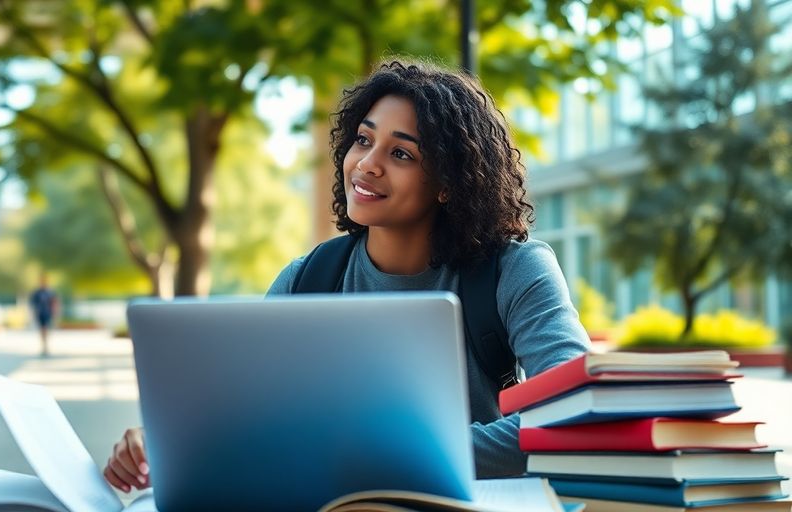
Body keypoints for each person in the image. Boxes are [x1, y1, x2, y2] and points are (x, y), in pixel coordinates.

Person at [103, 59, 590, 492]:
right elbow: (244, 417)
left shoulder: (515, 269)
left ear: (448, 184)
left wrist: (385, 458)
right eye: (363, 139)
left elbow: (573, 411)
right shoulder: (306, 279)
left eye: (401, 154)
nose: (367, 164)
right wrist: (162, 443)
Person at [29, 275, 58, 356]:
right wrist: (33, 314)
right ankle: (44, 346)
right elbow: (33, 304)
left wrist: (55, 313)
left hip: (48, 313)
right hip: (40, 313)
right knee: (42, 329)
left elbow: (54, 303)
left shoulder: (50, 292)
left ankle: (45, 346)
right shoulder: (37, 293)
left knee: (46, 329)